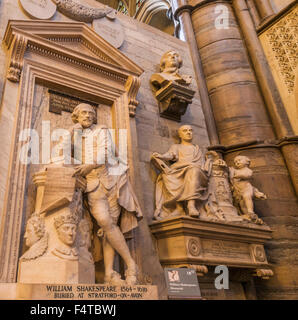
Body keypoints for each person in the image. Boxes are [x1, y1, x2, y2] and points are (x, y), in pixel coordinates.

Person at [67, 103, 143, 285]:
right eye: (83, 113)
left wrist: (89, 165)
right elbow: (61, 152)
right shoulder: (74, 133)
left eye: (91, 113)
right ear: (76, 116)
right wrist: (70, 132)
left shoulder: (100, 130)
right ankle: (131, 265)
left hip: (113, 181)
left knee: (109, 226)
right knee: (105, 222)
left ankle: (109, 273)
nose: (88, 116)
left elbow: (105, 152)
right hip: (92, 185)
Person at [151, 125, 210, 219]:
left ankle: (191, 205)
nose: (188, 132)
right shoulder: (176, 146)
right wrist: (161, 156)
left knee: (194, 171)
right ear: (180, 135)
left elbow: (202, 164)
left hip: (196, 171)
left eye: (190, 130)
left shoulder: (197, 148)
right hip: (179, 168)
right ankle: (179, 207)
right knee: (167, 175)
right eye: (185, 131)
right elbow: (171, 155)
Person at [229, 155, 266, 224]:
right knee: (242, 203)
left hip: (246, 188)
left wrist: (237, 175)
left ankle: (250, 212)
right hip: (238, 189)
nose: (237, 162)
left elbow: (247, 175)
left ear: (247, 162)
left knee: (247, 197)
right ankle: (247, 215)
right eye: (235, 162)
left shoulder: (247, 170)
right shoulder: (235, 170)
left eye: (239, 160)